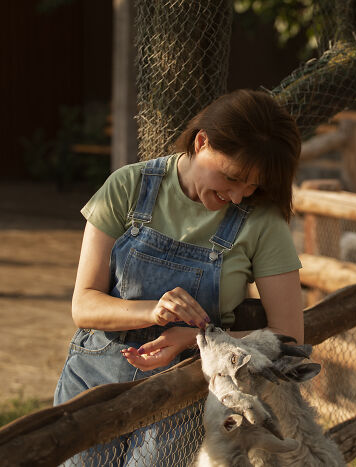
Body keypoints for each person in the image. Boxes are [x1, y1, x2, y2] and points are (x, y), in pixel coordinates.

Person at [53, 89, 303, 465]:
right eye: (233, 177)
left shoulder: (263, 222)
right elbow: (84, 305)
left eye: (252, 186)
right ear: (202, 141)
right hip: (93, 385)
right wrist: (154, 311)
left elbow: (288, 336)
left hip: (183, 395)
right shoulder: (128, 186)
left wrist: (195, 339)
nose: (238, 197)